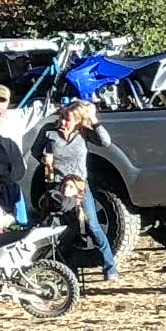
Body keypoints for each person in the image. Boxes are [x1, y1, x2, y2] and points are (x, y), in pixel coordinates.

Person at [33, 100, 124, 277]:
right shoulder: (49, 131)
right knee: (63, 227)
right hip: (57, 185)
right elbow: (36, 151)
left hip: (79, 186)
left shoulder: (83, 133)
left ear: (77, 121)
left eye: (67, 120)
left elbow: (105, 142)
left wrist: (94, 119)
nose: (62, 123)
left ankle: (109, 266)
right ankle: (67, 267)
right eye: (61, 118)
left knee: (92, 224)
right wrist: (44, 160)